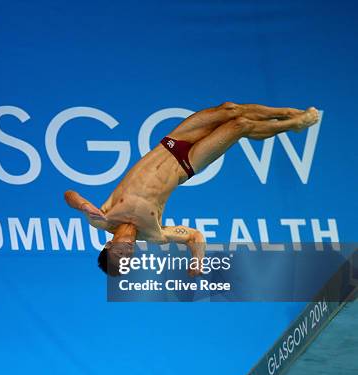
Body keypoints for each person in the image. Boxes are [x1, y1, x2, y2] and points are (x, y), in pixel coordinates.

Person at [64, 102, 320, 276]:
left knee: (229, 109)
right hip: (187, 164)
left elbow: (69, 195)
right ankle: (294, 125)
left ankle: (288, 113)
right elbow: (193, 236)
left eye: (121, 252)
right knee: (240, 126)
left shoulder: (103, 218)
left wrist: (84, 205)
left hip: (172, 144)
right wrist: (197, 260)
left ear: (109, 246)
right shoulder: (154, 235)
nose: (128, 249)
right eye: (129, 255)